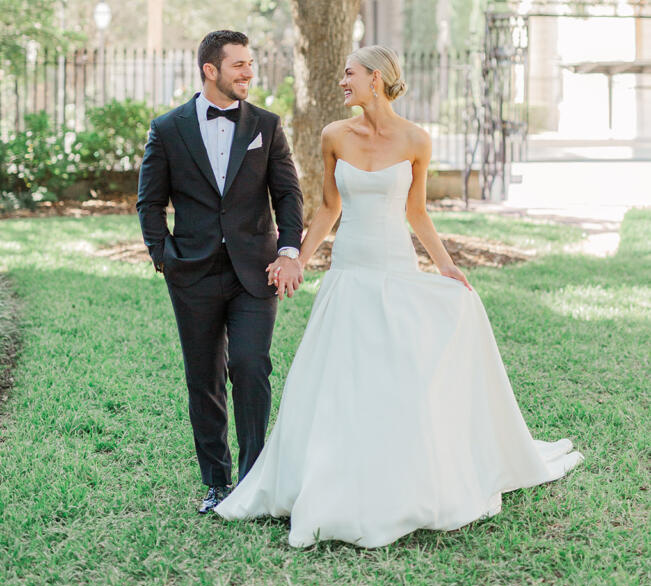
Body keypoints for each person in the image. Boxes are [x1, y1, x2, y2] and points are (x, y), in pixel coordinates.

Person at [216, 44, 583, 547]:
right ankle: (333, 479)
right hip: (348, 274)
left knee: (398, 377)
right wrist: (298, 258)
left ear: (377, 78)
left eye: (350, 74)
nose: (342, 82)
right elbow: (327, 208)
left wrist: (447, 265)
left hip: (395, 269)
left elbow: (417, 213)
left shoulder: (416, 140)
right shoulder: (333, 136)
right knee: (339, 383)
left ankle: (405, 479)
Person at [136, 30, 303, 514]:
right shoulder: (168, 128)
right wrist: (164, 257)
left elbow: (288, 195)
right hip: (194, 273)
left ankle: (252, 481)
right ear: (211, 70)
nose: (249, 73)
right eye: (239, 65)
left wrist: (288, 250)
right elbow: (150, 201)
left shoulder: (267, 126)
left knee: (251, 366)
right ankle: (216, 481)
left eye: (250, 64)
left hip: (258, 270)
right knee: (203, 377)